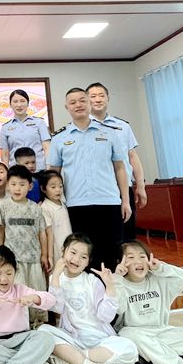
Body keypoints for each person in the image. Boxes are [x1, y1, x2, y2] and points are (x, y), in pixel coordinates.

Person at [47, 87, 131, 270]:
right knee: (82, 255)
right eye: (72, 102)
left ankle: (110, 287)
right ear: (67, 107)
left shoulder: (109, 132)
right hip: (76, 204)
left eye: (82, 100)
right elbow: (53, 174)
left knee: (112, 253)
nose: (78, 105)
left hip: (109, 202)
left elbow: (120, 168)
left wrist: (125, 200)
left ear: (89, 103)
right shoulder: (59, 138)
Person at [38, 233, 137, 364]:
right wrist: (56, 276)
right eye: (73, 252)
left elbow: (106, 317)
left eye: (83, 257)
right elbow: (57, 308)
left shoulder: (92, 281)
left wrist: (110, 287)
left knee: (130, 350)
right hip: (73, 339)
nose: (76, 259)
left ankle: (74, 359)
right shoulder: (56, 278)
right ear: (63, 251)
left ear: (87, 262)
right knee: (43, 331)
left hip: (99, 340)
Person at [114, 241, 183, 364]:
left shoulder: (159, 280)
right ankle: (181, 362)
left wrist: (161, 268)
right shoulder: (120, 283)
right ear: (120, 262)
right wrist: (117, 279)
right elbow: (119, 308)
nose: (138, 261)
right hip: (135, 334)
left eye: (142, 256)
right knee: (126, 334)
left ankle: (147, 358)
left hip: (160, 332)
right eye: (131, 257)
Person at [87, 82, 148, 240]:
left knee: (127, 235)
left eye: (101, 95)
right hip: (97, 190)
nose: (98, 99)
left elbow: (132, 156)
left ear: (108, 99)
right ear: (87, 100)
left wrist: (140, 186)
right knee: (102, 237)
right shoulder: (82, 128)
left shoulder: (122, 126)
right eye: (93, 96)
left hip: (123, 187)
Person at [0, 165, 49, 288]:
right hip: (13, 259)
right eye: (13, 184)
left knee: (35, 292)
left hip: (34, 258)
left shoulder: (36, 208)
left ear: (30, 186)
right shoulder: (2, 207)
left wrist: (44, 255)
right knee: (16, 293)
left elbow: (42, 233)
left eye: (22, 184)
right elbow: (1, 231)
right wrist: (0, 253)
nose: (17, 188)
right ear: (7, 185)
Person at [0, 89, 51, 171]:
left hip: (38, 170)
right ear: (10, 104)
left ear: (28, 103)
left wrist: (49, 169)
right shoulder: (5, 127)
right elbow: (5, 155)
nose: (19, 105)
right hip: (16, 172)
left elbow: (47, 147)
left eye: (22, 101)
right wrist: (6, 173)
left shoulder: (39, 122)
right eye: (15, 102)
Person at [40, 170, 72, 270]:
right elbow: (48, 234)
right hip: (56, 249)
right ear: (43, 189)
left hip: (69, 246)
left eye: (60, 186)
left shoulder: (63, 204)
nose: (58, 190)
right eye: (53, 187)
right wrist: (50, 256)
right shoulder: (45, 208)